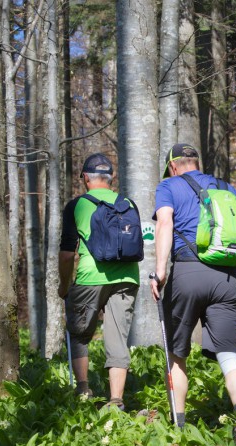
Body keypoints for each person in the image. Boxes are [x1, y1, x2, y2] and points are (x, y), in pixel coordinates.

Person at [148, 143, 236, 437]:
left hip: (188, 273)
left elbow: (165, 223)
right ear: (196, 162)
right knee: (230, 354)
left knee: (177, 354)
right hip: (227, 277)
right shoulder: (225, 187)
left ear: (173, 166)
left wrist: (161, 270)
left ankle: (178, 426)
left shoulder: (168, 186)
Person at [58, 153, 140, 410]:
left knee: (80, 333)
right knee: (117, 337)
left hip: (90, 278)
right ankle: (116, 400)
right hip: (127, 277)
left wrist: (64, 285)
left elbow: (67, 253)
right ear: (110, 178)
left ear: (85, 178)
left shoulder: (77, 205)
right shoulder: (128, 203)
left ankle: (83, 390)